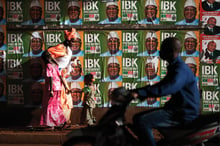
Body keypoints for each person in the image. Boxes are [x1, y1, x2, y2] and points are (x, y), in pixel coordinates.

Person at [130, 37, 200, 146]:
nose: (160, 52)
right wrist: (139, 91)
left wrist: (141, 93)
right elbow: (162, 86)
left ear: (171, 52)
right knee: (137, 118)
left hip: (183, 113)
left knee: (142, 121)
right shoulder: (176, 67)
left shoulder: (180, 70)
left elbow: (167, 88)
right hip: (177, 109)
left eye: (163, 49)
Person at [47, 28, 76, 129]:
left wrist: (70, 64)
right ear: (68, 40)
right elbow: (47, 53)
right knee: (59, 101)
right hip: (56, 78)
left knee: (66, 100)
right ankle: (58, 122)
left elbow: (66, 63)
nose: (74, 43)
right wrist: (55, 66)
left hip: (62, 77)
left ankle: (63, 121)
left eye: (75, 41)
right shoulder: (61, 47)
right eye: (72, 40)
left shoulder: (69, 50)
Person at [40, 51, 66, 130]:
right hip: (58, 87)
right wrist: (64, 86)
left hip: (52, 88)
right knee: (56, 105)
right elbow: (60, 76)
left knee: (49, 106)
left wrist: (51, 90)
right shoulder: (55, 65)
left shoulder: (48, 66)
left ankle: (50, 124)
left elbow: (50, 77)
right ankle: (60, 121)